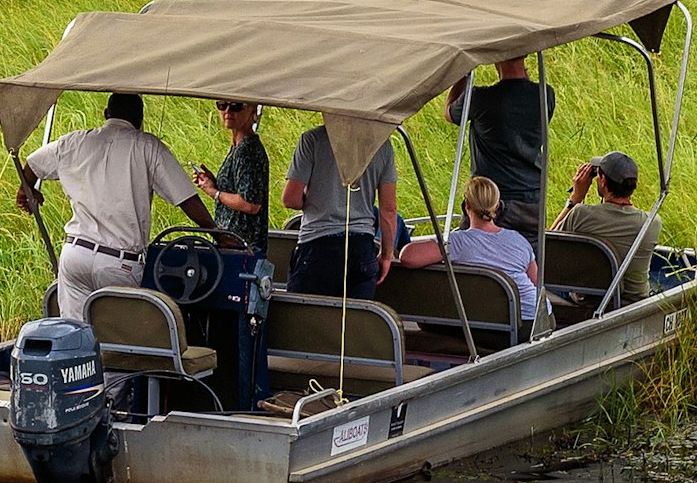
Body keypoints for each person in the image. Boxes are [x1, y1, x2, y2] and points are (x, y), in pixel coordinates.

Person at [18, 91, 219, 321]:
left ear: (106, 114)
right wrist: (218, 234)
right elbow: (186, 199)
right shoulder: (147, 147)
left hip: (76, 255)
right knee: (119, 338)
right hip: (118, 263)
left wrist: (27, 188)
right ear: (140, 119)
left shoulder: (75, 141)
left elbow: (33, 162)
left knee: (76, 336)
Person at [399, 175, 541, 328]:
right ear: (498, 206)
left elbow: (408, 256)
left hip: (505, 324)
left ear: (466, 205)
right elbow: (537, 285)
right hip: (537, 318)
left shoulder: (457, 242)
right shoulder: (519, 240)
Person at [283, 117, 398, 296]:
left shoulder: (312, 140)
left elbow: (290, 199)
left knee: (308, 319)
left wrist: (315, 199)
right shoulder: (382, 146)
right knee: (353, 320)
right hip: (361, 247)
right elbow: (389, 210)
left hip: (317, 244)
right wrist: (386, 254)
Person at [444, 59, 552, 243]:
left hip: (490, 201)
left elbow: (449, 112)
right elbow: (522, 92)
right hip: (532, 201)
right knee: (528, 264)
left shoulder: (480, 97)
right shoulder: (546, 94)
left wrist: (464, 72)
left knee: (470, 258)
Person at [554, 152, 647, 264]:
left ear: (603, 181)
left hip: (589, 281)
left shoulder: (580, 214)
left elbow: (546, 244)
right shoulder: (650, 223)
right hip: (624, 282)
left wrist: (575, 199)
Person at [202, 99, 273, 244]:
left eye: (236, 106)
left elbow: (250, 204)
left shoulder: (247, 149)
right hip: (232, 242)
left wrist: (214, 193)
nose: (228, 111)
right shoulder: (238, 146)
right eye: (222, 105)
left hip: (241, 246)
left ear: (252, 110)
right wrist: (214, 184)